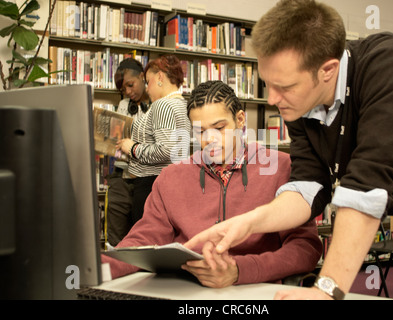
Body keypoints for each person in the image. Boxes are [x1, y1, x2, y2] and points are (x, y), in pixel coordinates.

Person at [185, 0, 393, 300]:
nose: (272, 99)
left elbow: (369, 184)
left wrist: (326, 290)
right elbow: (308, 187)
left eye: (284, 86)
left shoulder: (390, 65)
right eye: (267, 84)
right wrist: (249, 222)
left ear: (327, 70)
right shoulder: (301, 103)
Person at [102, 80, 323, 288]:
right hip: (188, 291)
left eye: (219, 128)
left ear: (240, 120)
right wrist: (97, 269)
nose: (210, 139)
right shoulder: (171, 177)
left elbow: (305, 248)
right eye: (200, 131)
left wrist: (239, 271)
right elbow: (143, 240)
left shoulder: (281, 168)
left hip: (256, 290)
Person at [116, 54, 190, 225]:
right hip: (171, 183)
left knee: (145, 241)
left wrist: (132, 148)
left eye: (148, 82)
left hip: (151, 185)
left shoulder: (162, 105)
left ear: (160, 77)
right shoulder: (182, 104)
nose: (147, 89)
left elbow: (166, 150)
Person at [106, 58, 150, 246]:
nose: (129, 92)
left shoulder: (159, 106)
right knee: (116, 238)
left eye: (131, 85)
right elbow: (117, 145)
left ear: (142, 76)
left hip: (145, 179)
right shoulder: (124, 105)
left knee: (142, 237)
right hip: (121, 176)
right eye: (124, 90)